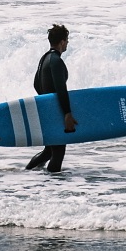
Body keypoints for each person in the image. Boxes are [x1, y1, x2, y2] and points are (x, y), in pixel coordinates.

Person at [26, 24, 77, 173]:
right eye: (66, 40)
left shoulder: (44, 59)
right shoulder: (56, 60)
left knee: (49, 151)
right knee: (58, 152)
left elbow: (36, 84)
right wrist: (67, 113)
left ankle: (27, 172)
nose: (67, 43)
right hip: (55, 113)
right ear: (62, 42)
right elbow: (61, 88)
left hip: (47, 111)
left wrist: (45, 101)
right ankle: (53, 187)